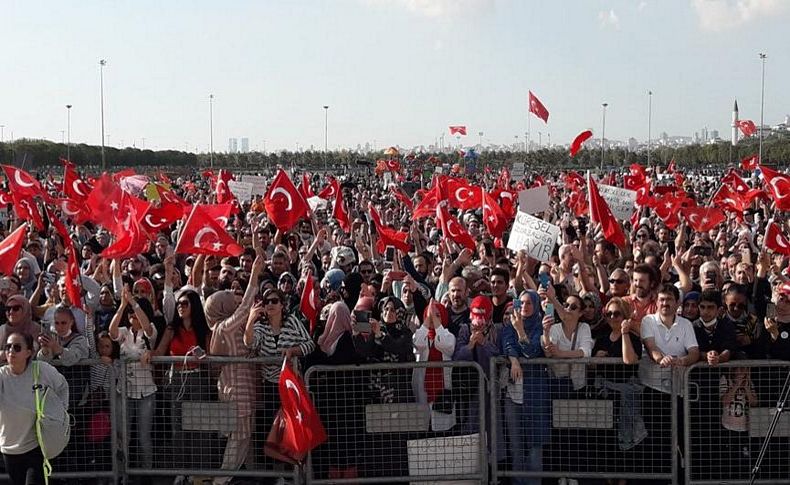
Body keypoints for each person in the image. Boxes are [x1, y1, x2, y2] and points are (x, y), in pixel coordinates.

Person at [0, 332, 69, 485]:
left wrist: (61, 412)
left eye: (17, 347)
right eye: (8, 347)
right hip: (9, 448)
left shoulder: (41, 370)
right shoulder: (2, 375)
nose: (11, 351)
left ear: (28, 352)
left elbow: (62, 386)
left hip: (36, 446)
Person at [500, 290, 550, 485]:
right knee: (516, 446)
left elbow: (531, 352)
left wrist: (521, 330)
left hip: (535, 394)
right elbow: (507, 343)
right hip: (513, 397)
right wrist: (514, 361)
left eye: (529, 303)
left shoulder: (539, 327)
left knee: (535, 445)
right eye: (521, 303)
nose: (525, 307)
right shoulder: (509, 325)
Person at [109, 287, 157, 479]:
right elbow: (111, 332)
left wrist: (134, 303)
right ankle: (123, 475)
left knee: (144, 437)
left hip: (146, 392)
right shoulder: (124, 332)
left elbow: (148, 328)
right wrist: (122, 305)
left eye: (135, 313)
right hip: (124, 392)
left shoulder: (150, 330)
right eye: (130, 314)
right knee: (123, 437)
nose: (132, 317)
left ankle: (147, 474)